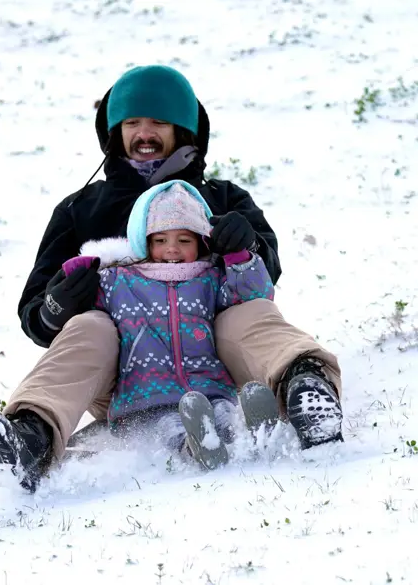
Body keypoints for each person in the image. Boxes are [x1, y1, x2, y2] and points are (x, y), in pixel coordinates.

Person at [0, 65, 344, 492]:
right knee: (91, 325)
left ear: (184, 130)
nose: (144, 133)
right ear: (114, 132)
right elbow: (36, 317)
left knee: (245, 311)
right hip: (129, 378)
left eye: (158, 122)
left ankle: (308, 389)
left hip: (214, 365)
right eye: (131, 123)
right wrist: (58, 302)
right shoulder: (79, 210)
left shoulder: (221, 198)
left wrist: (247, 245)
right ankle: (30, 436)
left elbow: (264, 275)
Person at [63, 179, 278, 470]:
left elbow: (252, 295)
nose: (172, 249)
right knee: (171, 427)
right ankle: (195, 449)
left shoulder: (210, 278)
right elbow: (91, 300)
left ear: (201, 242)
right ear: (145, 242)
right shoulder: (123, 280)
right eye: (160, 240)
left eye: (184, 240)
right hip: (148, 395)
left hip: (208, 386)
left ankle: (253, 436)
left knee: (224, 413)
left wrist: (240, 259)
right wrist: (77, 274)